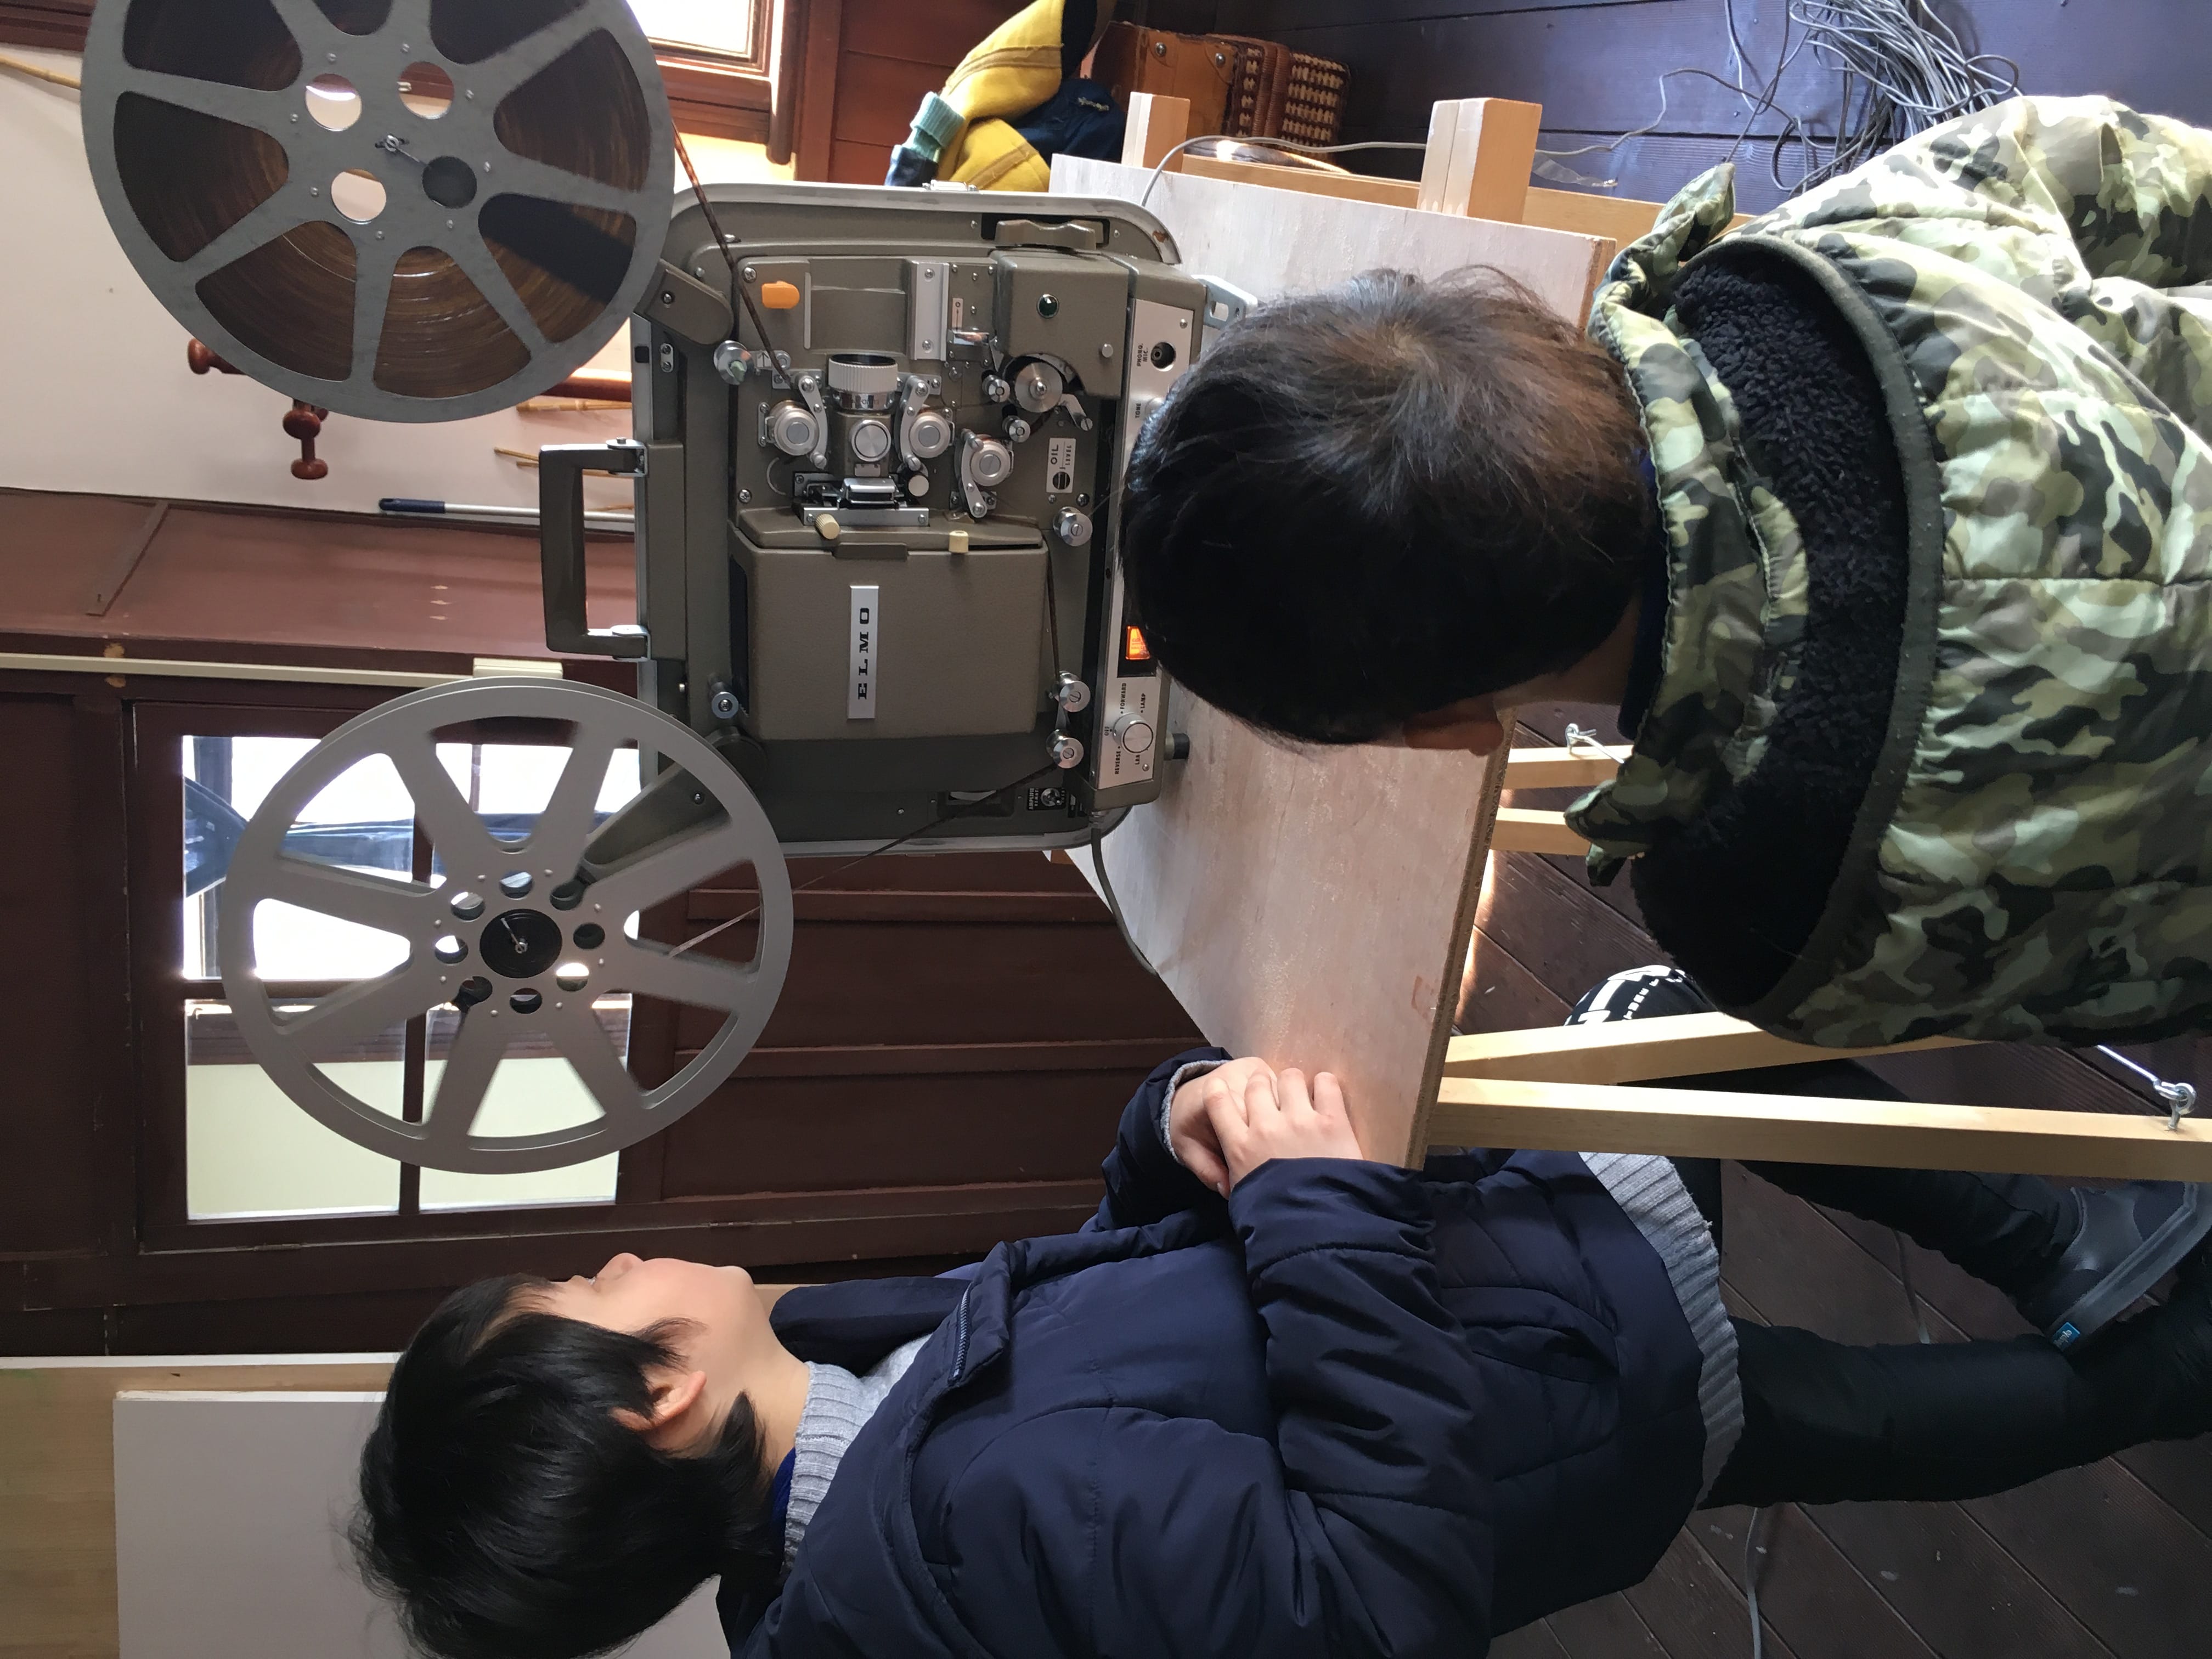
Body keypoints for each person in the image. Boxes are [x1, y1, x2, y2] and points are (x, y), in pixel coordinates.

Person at [353, 1045, 2212, 1659]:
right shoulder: (961, 1527)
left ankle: (2117, 1303)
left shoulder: (848, 1411)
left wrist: (1164, 1130)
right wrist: (1312, 1211)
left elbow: (1130, 1332)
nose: (622, 1254)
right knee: (1677, 1038)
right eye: (589, 1284)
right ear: (659, 1390)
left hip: (1537, 1364)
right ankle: (2113, 1295)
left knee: (1843, 1414)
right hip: (1561, 1365)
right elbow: (1371, 1590)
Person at [1116, 95, 2212, 1052]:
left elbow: (2137, 988)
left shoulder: (1760, 920)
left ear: (1447, 730)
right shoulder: (1827, 263)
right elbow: (2140, 169)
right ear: (1530, 338)